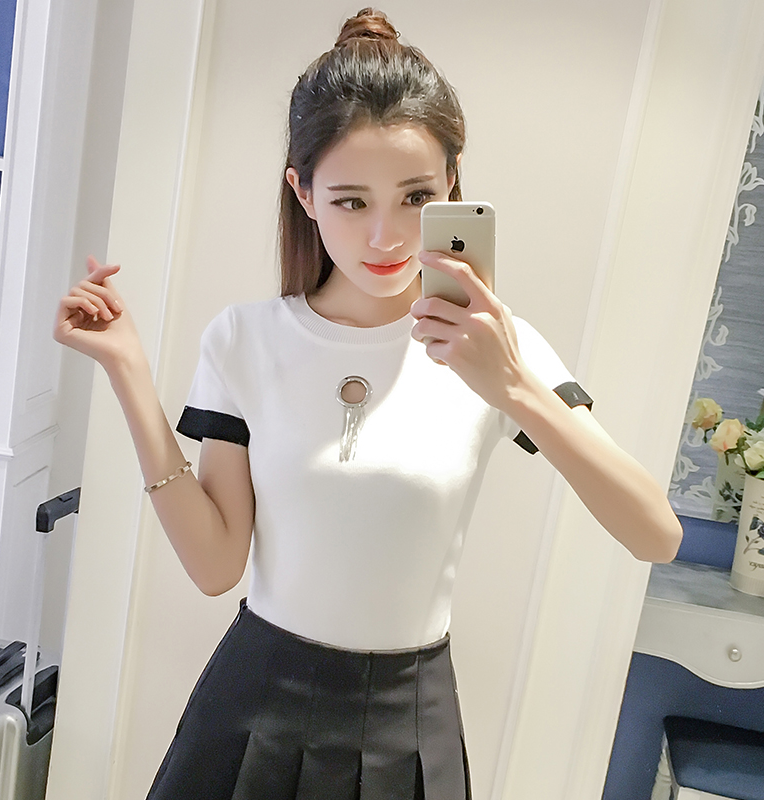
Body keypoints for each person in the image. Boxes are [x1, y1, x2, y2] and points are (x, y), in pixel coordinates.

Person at [54, 8, 682, 799]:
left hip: (405, 728)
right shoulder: (245, 339)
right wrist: (128, 371)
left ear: (452, 183)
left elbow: (655, 534)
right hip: (251, 712)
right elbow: (216, 567)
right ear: (303, 192)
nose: (386, 236)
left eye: (416, 196)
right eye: (351, 201)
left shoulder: (497, 345)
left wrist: (513, 387)